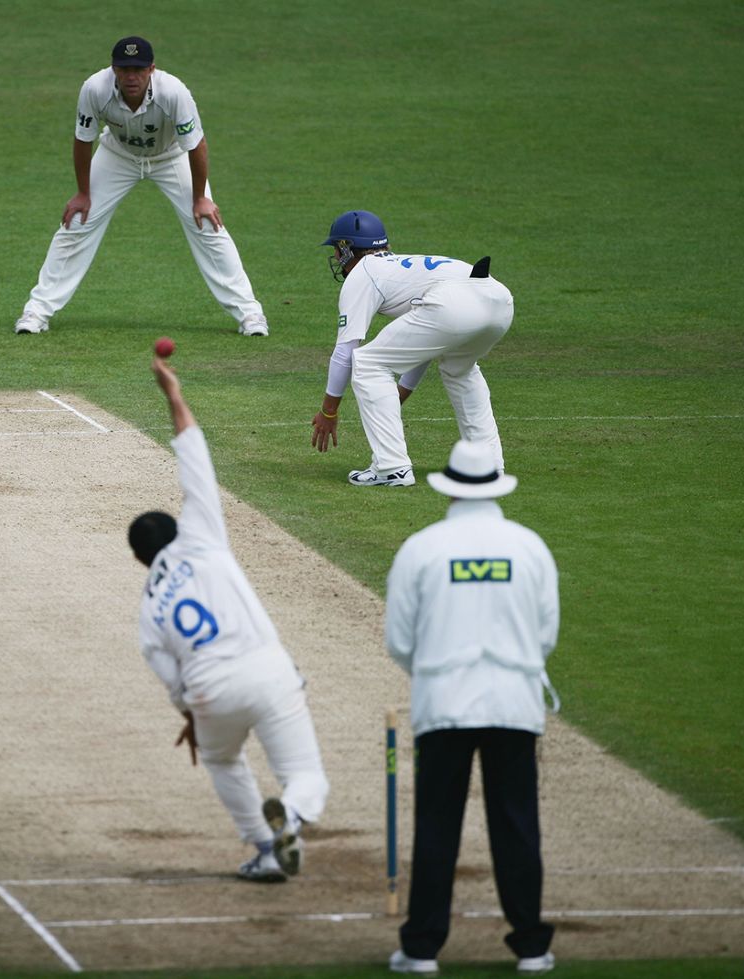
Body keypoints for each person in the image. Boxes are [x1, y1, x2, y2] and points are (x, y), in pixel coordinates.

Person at [130, 357, 328, 882]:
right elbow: (194, 458)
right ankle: (294, 814)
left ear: (141, 561)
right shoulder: (200, 534)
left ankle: (265, 848)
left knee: (221, 762)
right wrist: (172, 394)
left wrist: (195, 719)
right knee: (304, 775)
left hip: (207, 691)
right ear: (175, 530)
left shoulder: (149, 608)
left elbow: (171, 683)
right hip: (268, 671)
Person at [384, 438, 559, 976]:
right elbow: (545, 633)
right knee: (517, 824)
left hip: (444, 703)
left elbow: (399, 640)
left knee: (437, 824)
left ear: (450, 488)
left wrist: (438, 667)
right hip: (513, 701)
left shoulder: (421, 547)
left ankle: (421, 949)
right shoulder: (529, 546)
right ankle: (531, 946)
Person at [14, 36, 268, 338]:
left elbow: (196, 145)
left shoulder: (174, 92)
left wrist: (200, 198)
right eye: (124, 69)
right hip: (117, 155)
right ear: (114, 70)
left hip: (170, 156)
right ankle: (36, 311)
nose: (131, 76)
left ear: (152, 69)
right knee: (76, 222)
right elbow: (84, 139)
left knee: (207, 224)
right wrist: (83, 193)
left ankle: (250, 315)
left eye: (138, 69)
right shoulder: (94, 88)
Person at [309, 210, 513, 487]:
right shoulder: (400, 268)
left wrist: (328, 412)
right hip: (499, 299)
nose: (335, 257)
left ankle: (391, 467)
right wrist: (394, 397)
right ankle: (487, 467)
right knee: (460, 370)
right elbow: (423, 347)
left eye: (336, 249)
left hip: (455, 302)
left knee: (368, 362)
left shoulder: (364, 274)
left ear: (346, 249)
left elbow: (345, 352)